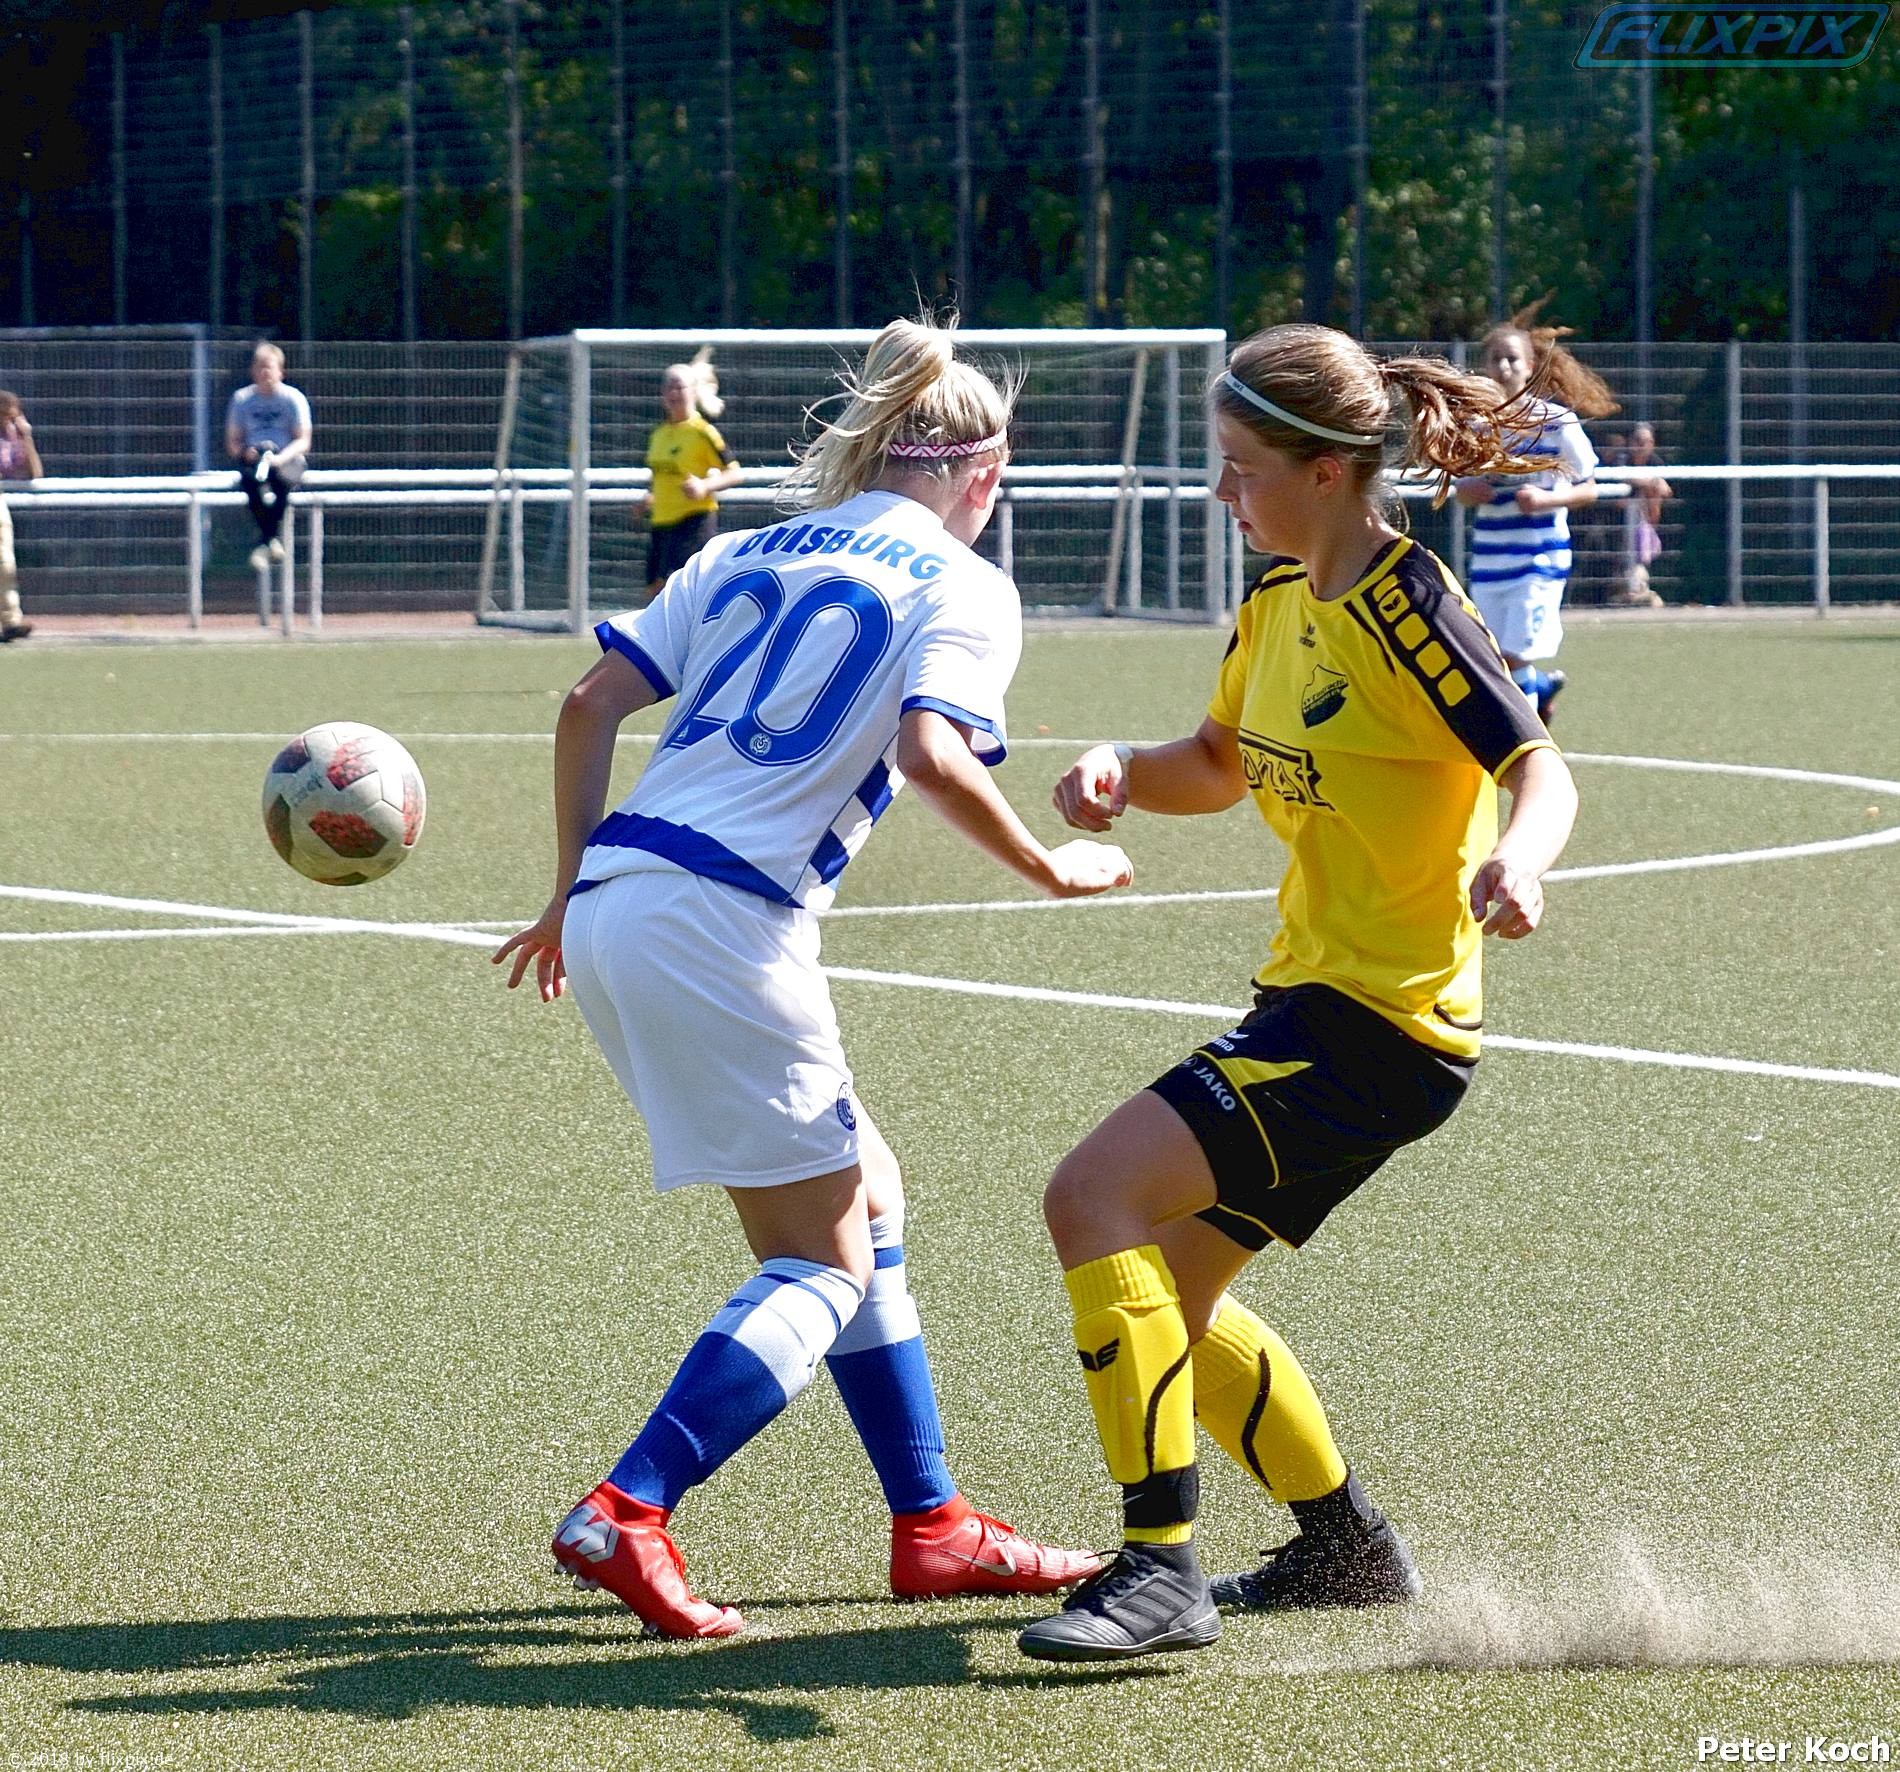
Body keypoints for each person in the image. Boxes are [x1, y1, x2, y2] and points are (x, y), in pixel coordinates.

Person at [494, 315, 1134, 1642]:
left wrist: (562, 893)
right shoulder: (966, 583)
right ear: (984, 470)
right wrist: (1047, 866)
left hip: (618, 900)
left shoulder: (743, 547)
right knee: (820, 1265)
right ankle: (629, 1505)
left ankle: (933, 1525)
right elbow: (936, 754)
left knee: (866, 1195)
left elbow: (586, 704)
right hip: (726, 922)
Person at [1016, 323, 1579, 1663]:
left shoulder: (1409, 603)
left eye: (1242, 466)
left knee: (1089, 1197)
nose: (1223, 490)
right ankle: (1346, 1548)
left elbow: (1538, 766)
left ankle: (1158, 1569)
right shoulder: (1275, 600)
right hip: (1315, 1006)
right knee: (1168, 1288)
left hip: (1381, 1026)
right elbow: (1218, 761)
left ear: (1327, 472)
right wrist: (1121, 770)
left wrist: (1521, 858)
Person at [1453, 305, 1618, 723]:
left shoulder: (1555, 422)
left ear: (1529, 367)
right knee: (1493, 658)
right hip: (1490, 561)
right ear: (1486, 367)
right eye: (1496, 359)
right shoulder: (1475, 426)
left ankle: (1525, 742)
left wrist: (1547, 501)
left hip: (1538, 560)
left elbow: (1589, 487)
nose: (1504, 366)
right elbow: (1461, 490)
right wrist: (1469, 491)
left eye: (1512, 359)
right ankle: (1540, 687)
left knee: (1514, 655)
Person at [643, 349, 742, 597]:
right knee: (654, 591)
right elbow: (659, 475)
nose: (674, 393)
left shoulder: (702, 432)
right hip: (661, 522)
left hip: (692, 522)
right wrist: (649, 498)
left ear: (694, 392)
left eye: (680, 387)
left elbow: (734, 473)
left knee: (683, 592)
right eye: (669, 387)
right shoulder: (659, 434)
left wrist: (704, 486)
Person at [225, 342, 312, 573]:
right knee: (249, 481)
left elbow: (303, 440)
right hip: (255, 459)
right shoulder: (242, 399)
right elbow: (233, 443)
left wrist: (280, 458)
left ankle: (264, 541)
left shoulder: (293, 398)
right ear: (253, 371)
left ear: (281, 371)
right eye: (260, 367)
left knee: (284, 480)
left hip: (286, 458)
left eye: (269, 367)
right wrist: (246, 453)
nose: (265, 372)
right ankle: (270, 540)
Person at [1607, 423, 1670, 607]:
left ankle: (1638, 579)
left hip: (1645, 517)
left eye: (1647, 441)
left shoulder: (1655, 462)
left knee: (1652, 496)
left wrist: (1652, 487)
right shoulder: (1622, 459)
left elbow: (1666, 490)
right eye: (1638, 441)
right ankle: (1632, 585)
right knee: (1636, 504)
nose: (1642, 445)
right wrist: (1650, 483)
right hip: (1616, 515)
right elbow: (1621, 480)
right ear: (1631, 442)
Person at [0, 390, 44, 642]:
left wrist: (26, 437)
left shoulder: (12, 436)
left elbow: (34, 473)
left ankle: (10, 622)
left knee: (4, 563)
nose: (10, 422)